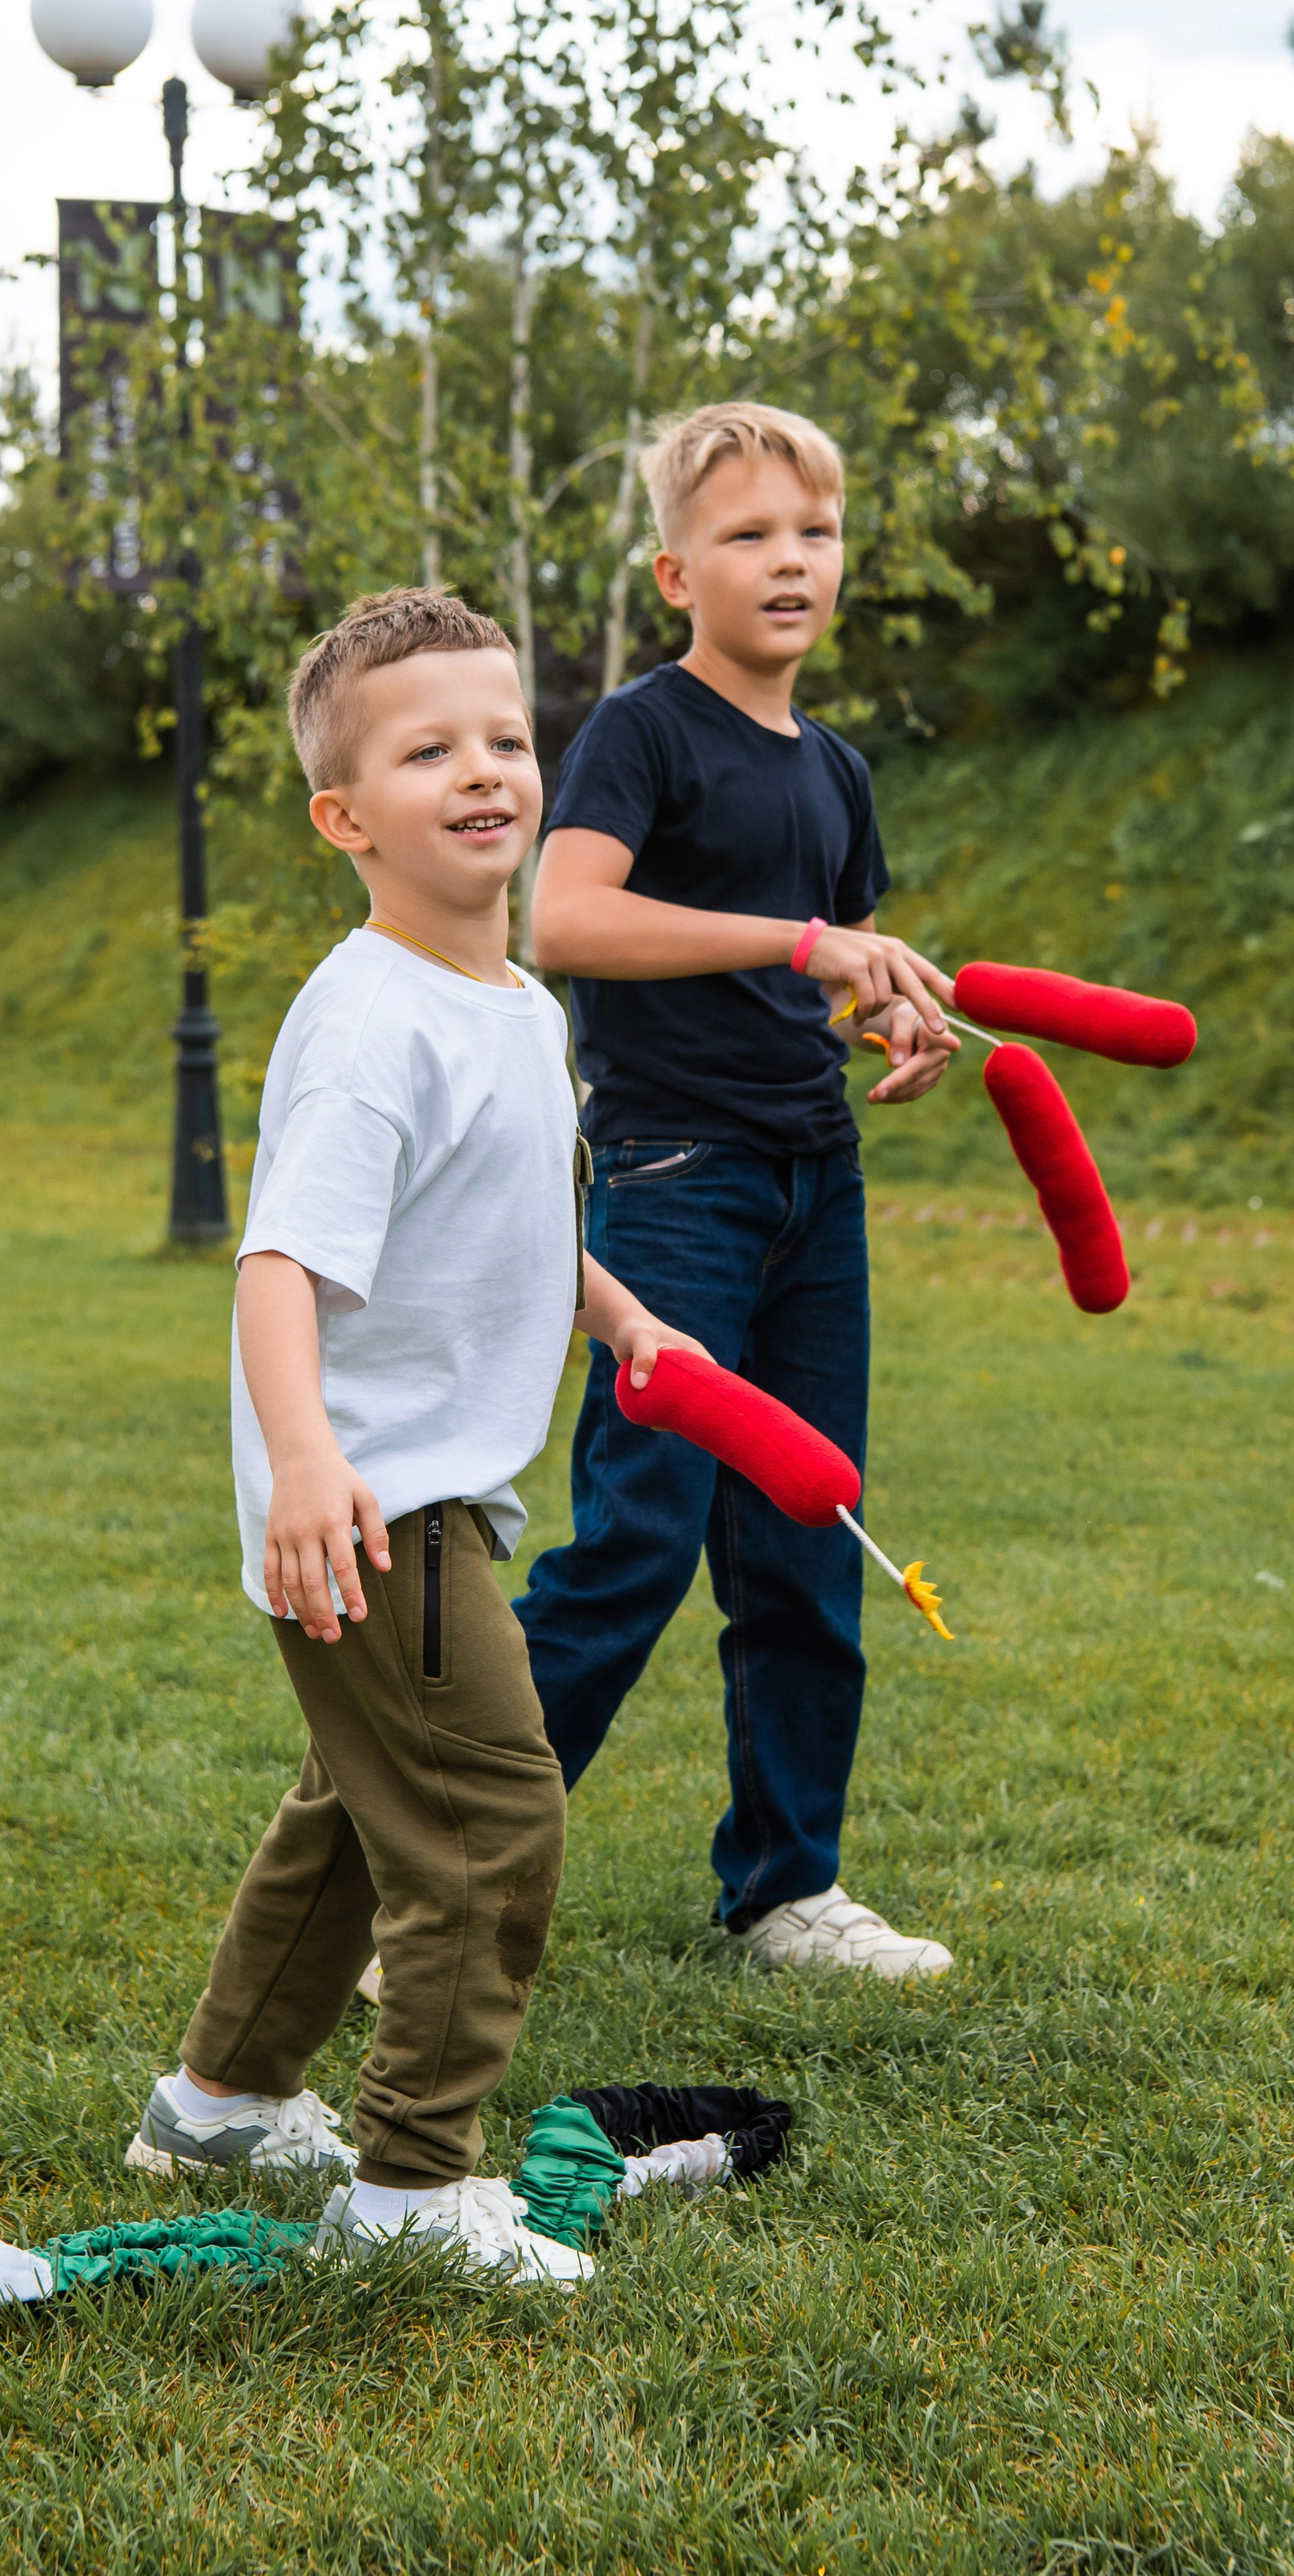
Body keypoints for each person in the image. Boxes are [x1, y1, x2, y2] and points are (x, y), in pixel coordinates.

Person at [127, 588, 705, 2286]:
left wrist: (609, 1310)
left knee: (356, 1807)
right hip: (381, 1503)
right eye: (426, 748)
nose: (484, 772)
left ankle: (218, 2101)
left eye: (508, 739)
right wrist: (309, 1461)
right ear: (343, 816)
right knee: (484, 1816)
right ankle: (408, 2194)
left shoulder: (511, 1003)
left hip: (408, 1494)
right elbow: (280, 1263)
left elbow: (509, 1201)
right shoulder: (373, 1022)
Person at [521, 402, 960, 1980]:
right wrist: (800, 946)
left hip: (808, 1184)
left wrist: (883, 1014)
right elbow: (564, 920)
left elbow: (823, 970)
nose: (788, 559)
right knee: (633, 1544)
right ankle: (419, 1862)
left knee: (804, 1532)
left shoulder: (832, 772)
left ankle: (785, 1887)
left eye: (813, 532)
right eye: (748, 534)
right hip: (670, 1181)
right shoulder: (639, 732)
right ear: (672, 570)